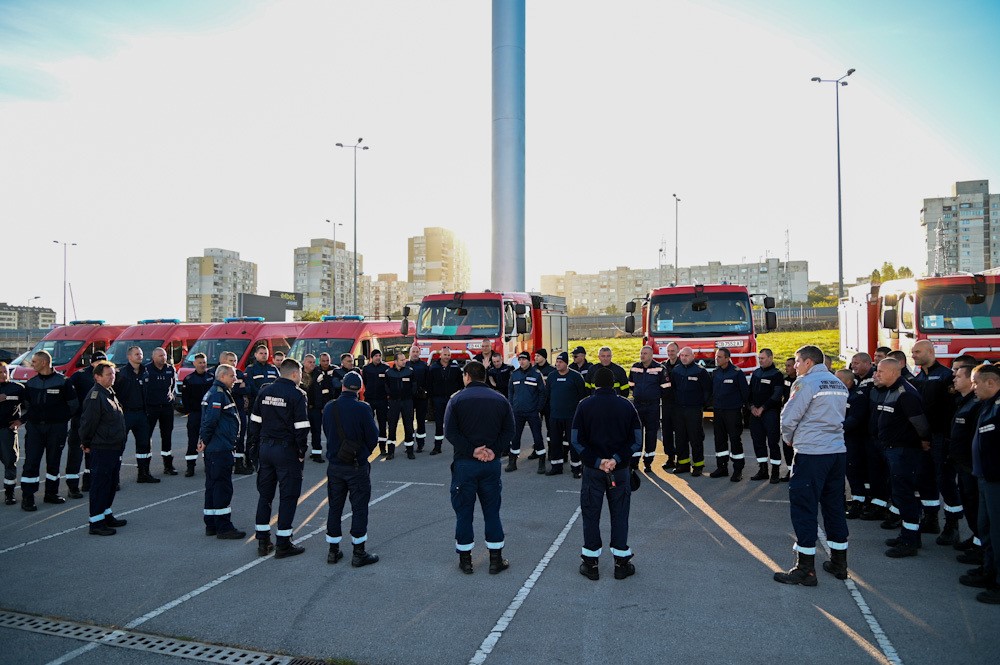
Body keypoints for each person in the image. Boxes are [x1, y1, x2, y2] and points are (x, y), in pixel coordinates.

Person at [774, 345, 850, 586]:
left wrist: (788, 439)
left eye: (797, 362)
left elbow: (789, 417)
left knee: (804, 508)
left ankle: (805, 569)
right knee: (834, 506)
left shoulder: (806, 383)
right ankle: (839, 563)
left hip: (812, 453)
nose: (794, 366)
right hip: (837, 452)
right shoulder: (837, 383)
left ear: (808, 362)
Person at [443, 361, 515, 575]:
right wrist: (493, 450)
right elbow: (509, 430)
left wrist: (472, 450)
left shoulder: (456, 400)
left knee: (464, 513)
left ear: (466, 376)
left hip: (465, 464)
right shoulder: (500, 399)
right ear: (484, 376)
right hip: (491, 465)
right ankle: (496, 560)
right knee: (492, 511)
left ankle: (466, 561)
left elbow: (450, 433)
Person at [572, 366, 642, 581]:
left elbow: (576, 440)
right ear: (613, 384)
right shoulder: (627, 406)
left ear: (594, 384)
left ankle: (591, 563)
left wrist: (597, 461)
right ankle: (621, 563)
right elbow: (637, 440)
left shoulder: (584, 406)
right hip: (619, 471)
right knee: (620, 515)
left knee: (591, 514)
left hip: (593, 471)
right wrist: (616, 460)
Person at [248, 358, 310, 559]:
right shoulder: (297, 394)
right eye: (300, 373)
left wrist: (254, 448)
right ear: (294, 374)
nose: (301, 377)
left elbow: (255, 422)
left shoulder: (264, 391)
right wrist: (301, 452)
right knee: (288, 496)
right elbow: (301, 427)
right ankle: (283, 542)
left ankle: (263, 541)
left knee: (265, 495)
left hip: (265, 449)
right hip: (286, 451)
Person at [870, 358, 930, 558]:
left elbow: (920, 424)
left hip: (903, 452)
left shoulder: (906, 393)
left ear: (894, 372)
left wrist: (923, 439)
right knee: (900, 493)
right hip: (893, 450)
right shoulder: (892, 390)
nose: (877, 374)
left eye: (880, 371)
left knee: (905, 495)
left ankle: (909, 541)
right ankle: (908, 533)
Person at [322, 370, 379, 567]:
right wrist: (362, 454)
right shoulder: (363, 408)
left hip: (335, 466)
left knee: (335, 507)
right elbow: (373, 437)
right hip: (356, 467)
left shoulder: (330, 407)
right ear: (360, 389)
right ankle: (359, 552)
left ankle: (333, 551)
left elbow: (327, 432)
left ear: (343, 386)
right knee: (359, 508)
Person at [910, 340, 961, 543]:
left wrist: (944, 437)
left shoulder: (946, 376)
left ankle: (952, 524)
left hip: (941, 437)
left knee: (945, 481)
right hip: (924, 439)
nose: (913, 355)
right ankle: (931, 518)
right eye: (912, 352)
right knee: (925, 478)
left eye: (917, 352)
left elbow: (949, 410)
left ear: (931, 352)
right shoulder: (920, 376)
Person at [961, 364, 1000, 603]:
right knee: (986, 528)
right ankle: (988, 571)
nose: (973, 387)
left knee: (998, 533)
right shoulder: (987, 405)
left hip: (996, 480)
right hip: (985, 478)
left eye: (976, 383)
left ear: (991, 383)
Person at [21, 350, 78, 510]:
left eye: (34, 362)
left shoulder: (63, 382)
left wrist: (60, 420)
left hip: (56, 429)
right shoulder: (31, 383)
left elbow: (73, 405)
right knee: (31, 462)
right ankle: (28, 497)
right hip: (35, 429)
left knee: (53, 462)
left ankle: (51, 494)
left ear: (44, 362)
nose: (32, 365)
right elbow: (27, 405)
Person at [78, 360, 128, 536]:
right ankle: (96, 523)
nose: (112, 377)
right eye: (108, 374)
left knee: (111, 483)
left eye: (113, 373)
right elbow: (88, 423)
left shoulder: (109, 392)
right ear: (97, 377)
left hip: (114, 446)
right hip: (103, 448)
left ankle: (106, 514)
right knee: (100, 485)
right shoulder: (95, 396)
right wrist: (86, 442)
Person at [197, 364, 246, 540]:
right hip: (220, 448)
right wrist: (204, 439)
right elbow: (210, 421)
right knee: (222, 487)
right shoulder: (218, 394)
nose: (235, 379)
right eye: (232, 376)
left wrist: (204, 440)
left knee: (212, 486)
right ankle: (224, 526)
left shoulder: (218, 392)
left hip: (216, 447)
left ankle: (211, 523)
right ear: (223, 376)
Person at [950, 363, 983, 564]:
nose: (954, 378)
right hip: (962, 465)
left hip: (971, 467)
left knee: (976, 507)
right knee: (970, 507)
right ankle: (976, 540)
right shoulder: (963, 402)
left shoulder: (976, 405)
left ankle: (980, 548)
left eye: (959, 376)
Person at [114, 346, 159, 484]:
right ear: (129, 357)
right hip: (126, 414)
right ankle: (114, 479)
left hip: (142, 414)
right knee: (119, 446)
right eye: (136, 354)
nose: (140, 356)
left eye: (141, 353)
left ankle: (144, 473)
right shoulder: (121, 374)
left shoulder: (146, 372)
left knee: (145, 445)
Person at [545, 351, 588, 477]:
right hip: (555, 416)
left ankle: (576, 468)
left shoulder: (576, 377)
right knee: (555, 442)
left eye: (560, 362)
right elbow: (547, 395)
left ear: (566, 364)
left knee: (573, 442)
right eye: (556, 362)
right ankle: (556, 466)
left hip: (572, 417)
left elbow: (582, 397)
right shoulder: (552, 376)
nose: (557, 364)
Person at [670, 346, 711, 476]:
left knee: (695, 437)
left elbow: (707, 391)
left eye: (687, 355)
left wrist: (700, 405)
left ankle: (698, 465)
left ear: (693, 357)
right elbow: (673, 389)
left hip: (694, 409)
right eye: (682, 355)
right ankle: (683, 464)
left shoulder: (700, 371)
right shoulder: (676, 370)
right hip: (679, 409)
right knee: (680, 438)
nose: (684, 358)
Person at [628, 345, 669, 473]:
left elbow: (666, 388)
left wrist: (653, 396)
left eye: (645, 353)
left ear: (651, 355)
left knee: (651, 434)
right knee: (636, 434)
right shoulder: (635, 367)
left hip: (653, 406)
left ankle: (648, 462)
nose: (642, 355)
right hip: (638, 405)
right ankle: (634, 462)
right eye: (641, 353)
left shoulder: (660, 368)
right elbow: (631, 385)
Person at [710, 348, 749, 481]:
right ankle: (722, 467)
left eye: (720, 357)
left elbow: (745, 394)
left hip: (733, 412)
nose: (717, 359)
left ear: (727, 358)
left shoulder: (737, 373)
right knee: (719, 440)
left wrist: (746, 410)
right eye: (716, 356)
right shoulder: (715, 373)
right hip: (718, 411)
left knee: (735, 440)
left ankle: (738, 470)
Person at [67, 352, 103, 493]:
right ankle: (73, 486)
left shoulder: (107, 375)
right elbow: (68, 392)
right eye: (98, 363)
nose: (101, 365)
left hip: (97, 422)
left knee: (93, 455)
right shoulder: (80, 375)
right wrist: (74, 411)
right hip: (80, 420)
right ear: (92, 363)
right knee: (75, 454)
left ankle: (89, 483)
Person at [837, 369, 870, 519]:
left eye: (839, 380)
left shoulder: (857, 396)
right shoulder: (841, 395)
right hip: (841, 438)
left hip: (854, 439)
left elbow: (854, 420)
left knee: (854, 471)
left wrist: (836, 429)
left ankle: (858, 502)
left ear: (848, 382)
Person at [507, 352, 547, 473]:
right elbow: (510, 392)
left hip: (532, 412)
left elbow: (542, 393)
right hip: (517, 412)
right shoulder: (514, 374)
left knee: (537, 437)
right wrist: (512, 406)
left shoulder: (536, 374)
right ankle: (512, 462)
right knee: (515, 437)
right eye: (520, 360)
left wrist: (538, 408)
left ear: (529, 361)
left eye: (524, 359)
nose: (522, 362)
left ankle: (541, 462)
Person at [749, 348, 785, 483]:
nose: (760, 360)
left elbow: (776, 395)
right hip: (755, 414)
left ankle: (775, 472)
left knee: (772, 442)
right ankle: (763, 470)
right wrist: (752, 407)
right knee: (758, 442)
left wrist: (763, 408)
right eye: (759, 358)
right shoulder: (756, 373)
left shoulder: (777, 375)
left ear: (770, 358)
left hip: (770, 413)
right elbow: (750, 393)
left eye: (762, 358)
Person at [145, 347, 178, 476]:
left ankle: (168, 465)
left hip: (166, 407)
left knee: (167, 435)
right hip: (151, 407)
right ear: (153, 357)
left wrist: (171, 399)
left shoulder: (170, 369)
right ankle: (145, 468)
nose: (163, 358)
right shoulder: (146, 370)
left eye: (164, 355)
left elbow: (173, 386)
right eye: (160, 356)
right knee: (147, 437)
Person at [180, 353, 214, 477]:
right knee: (192, 440)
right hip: (195, 414)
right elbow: (185, 398)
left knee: (208, 439)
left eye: (204, 362)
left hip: (208, 414)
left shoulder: (211, 377)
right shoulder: (189, 379)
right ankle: (190, 467)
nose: (202, 365)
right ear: (194, 364)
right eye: (199, 362)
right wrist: (190, 411)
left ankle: (208, 464)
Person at [246, 345, 279, 469]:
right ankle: (249, 460)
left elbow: (279, 383)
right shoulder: (251, 369)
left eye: (265, 353)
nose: (264, 355)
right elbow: (250, 387)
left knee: (270, 433)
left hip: (272, 407)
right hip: (256, 406)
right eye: (261, 353)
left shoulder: (273, 368)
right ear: (255, 355)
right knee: (253, 433)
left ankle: (267, 459)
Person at [220, 351, 252, 475]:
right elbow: (231, 390)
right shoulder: (220, 374)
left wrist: (239, 388)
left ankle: (239, 463)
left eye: (235, 360)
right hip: (226, 411)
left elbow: (247, 389)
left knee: (240, 437)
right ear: (224, 361)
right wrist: (239, 387)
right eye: (230, 361)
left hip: (239, 410)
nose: (233, 363)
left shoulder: (239, 374)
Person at [0, 362, 26, 505]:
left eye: (5, 371)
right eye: (0, 372)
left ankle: (9, 494)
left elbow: (32, 406)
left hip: (7, 431)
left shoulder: (18, 388)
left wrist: (20, 421)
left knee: (10, 462)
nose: (4, 374)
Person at [385, 351, 416, 460]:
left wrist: (410, 395)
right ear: (395, 361)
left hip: (407, 402)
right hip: (394, 402)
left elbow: (414, 386)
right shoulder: (388, 372)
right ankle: (391, 452)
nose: (404, 361)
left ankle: (410, 451)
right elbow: (386, 387)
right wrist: (390, 396)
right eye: (402, 360)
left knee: (408, 426)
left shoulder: (410, 371)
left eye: (404, 359)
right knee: (392, 426)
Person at [361, 349, 390, 455]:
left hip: (382, 400)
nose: (378, 357)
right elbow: (365, 381)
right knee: (369, 423)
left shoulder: (386, 368)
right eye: (376, 356)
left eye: (379, 355)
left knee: (383, 424)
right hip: (370, 399)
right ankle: (369, 446)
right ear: (371, 357)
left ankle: (383, 447)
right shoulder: (366, 368)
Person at [660, 342, 680, 470]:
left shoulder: (682, 365)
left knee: (680, 433)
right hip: (666, 404)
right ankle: (670, 458)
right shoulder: (663, 366)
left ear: (677, 351)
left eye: (673, 351)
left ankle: (682, 458)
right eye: (669, 351)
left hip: (679, 404)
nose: (670, 353)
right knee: (666, 433)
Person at [407, 346, 430, 453]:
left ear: (419, 353)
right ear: (410, 353)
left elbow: (428, 381)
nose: (415, 353)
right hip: (408, 398)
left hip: (421, 398)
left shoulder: (424, 366)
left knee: (421, 421)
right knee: (408, 422)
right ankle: (409, 444)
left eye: (417, 352)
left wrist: (426, 392)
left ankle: (420, 444)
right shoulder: (405, 365)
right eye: (413, 352)